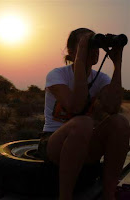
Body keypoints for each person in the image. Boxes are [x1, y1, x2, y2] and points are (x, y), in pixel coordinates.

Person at [38, 28, 130, 200]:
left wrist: (118, 64)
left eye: (95, 46)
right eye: (87, 46)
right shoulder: (57, 75)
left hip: (85, 142)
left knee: (120, 123)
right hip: (53, 143)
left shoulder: (101, 78)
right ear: (72, 52)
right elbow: (76, 107)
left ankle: (109, 195)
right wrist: (80, 61)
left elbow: (112, 108)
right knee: (84, 122)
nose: (94, 51)